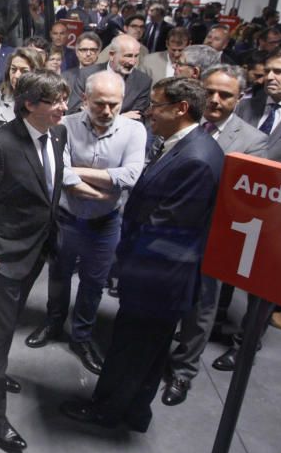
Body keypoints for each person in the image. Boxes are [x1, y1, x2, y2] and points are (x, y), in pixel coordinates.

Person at [61, 77, 223, 433]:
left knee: (130, 349)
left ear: (181, 109)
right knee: (149, 351)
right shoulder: (185, 145)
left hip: (157, 277)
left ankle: (106, 410)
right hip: (159, 275)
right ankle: (136, 412)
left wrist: (125, 261)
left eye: (158, 106)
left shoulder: (196, 158)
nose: (150, 112)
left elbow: (166, 228)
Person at [0, 70, 69, 453]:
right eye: (55, 102)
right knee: (2, 333)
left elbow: (49, 188)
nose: (64, 108)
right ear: (30, 104)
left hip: (36, 249)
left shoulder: (58, 133)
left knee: (7, 322)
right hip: (2, 256)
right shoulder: (0, 145)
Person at [25, 71, 146, 375]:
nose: (107, 112)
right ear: (85, 99)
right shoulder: (63, 125)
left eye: (114, 105)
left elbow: (131, 176)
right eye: (100, 104)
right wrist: (102, 190)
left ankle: (82, 336)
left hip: (105, 224)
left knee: (94, 283)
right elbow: (57, 173)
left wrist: (76, 173)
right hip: (67, 218)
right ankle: (53, 323)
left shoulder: (134, 131)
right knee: (59, 275)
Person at [160, 65, 266, 406]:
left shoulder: (252, 141)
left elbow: (246, 201)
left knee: (201, 310)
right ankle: (152, 356)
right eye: (211, 91)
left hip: (211, 239)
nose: (216, 100)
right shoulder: (180, 124)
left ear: (240, 98)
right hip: (167, 232)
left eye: (226, 95)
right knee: (161, 300)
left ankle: (183, 372)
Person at [213, 47, 281, 370]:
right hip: (234, 208)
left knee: (261, 287)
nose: (271, 78)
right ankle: (213, 324)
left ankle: (244, 344)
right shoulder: (247, 105)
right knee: (223, 273)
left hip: (278, 217)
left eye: (280, 72)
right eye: (269, 71)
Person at [0, 47, 45, 149]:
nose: (16, 75)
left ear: (36, 73)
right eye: (13, 69)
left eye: (24, 71)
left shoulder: (45, 103)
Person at [67, 34, 151, 118]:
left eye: (136, 56)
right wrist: (121, 118)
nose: (132, 62)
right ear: (111, 55)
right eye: (128, 56)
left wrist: (92, 113)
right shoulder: (86, 75)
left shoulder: (143, 82)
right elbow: (73, 113)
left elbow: (137, 119)